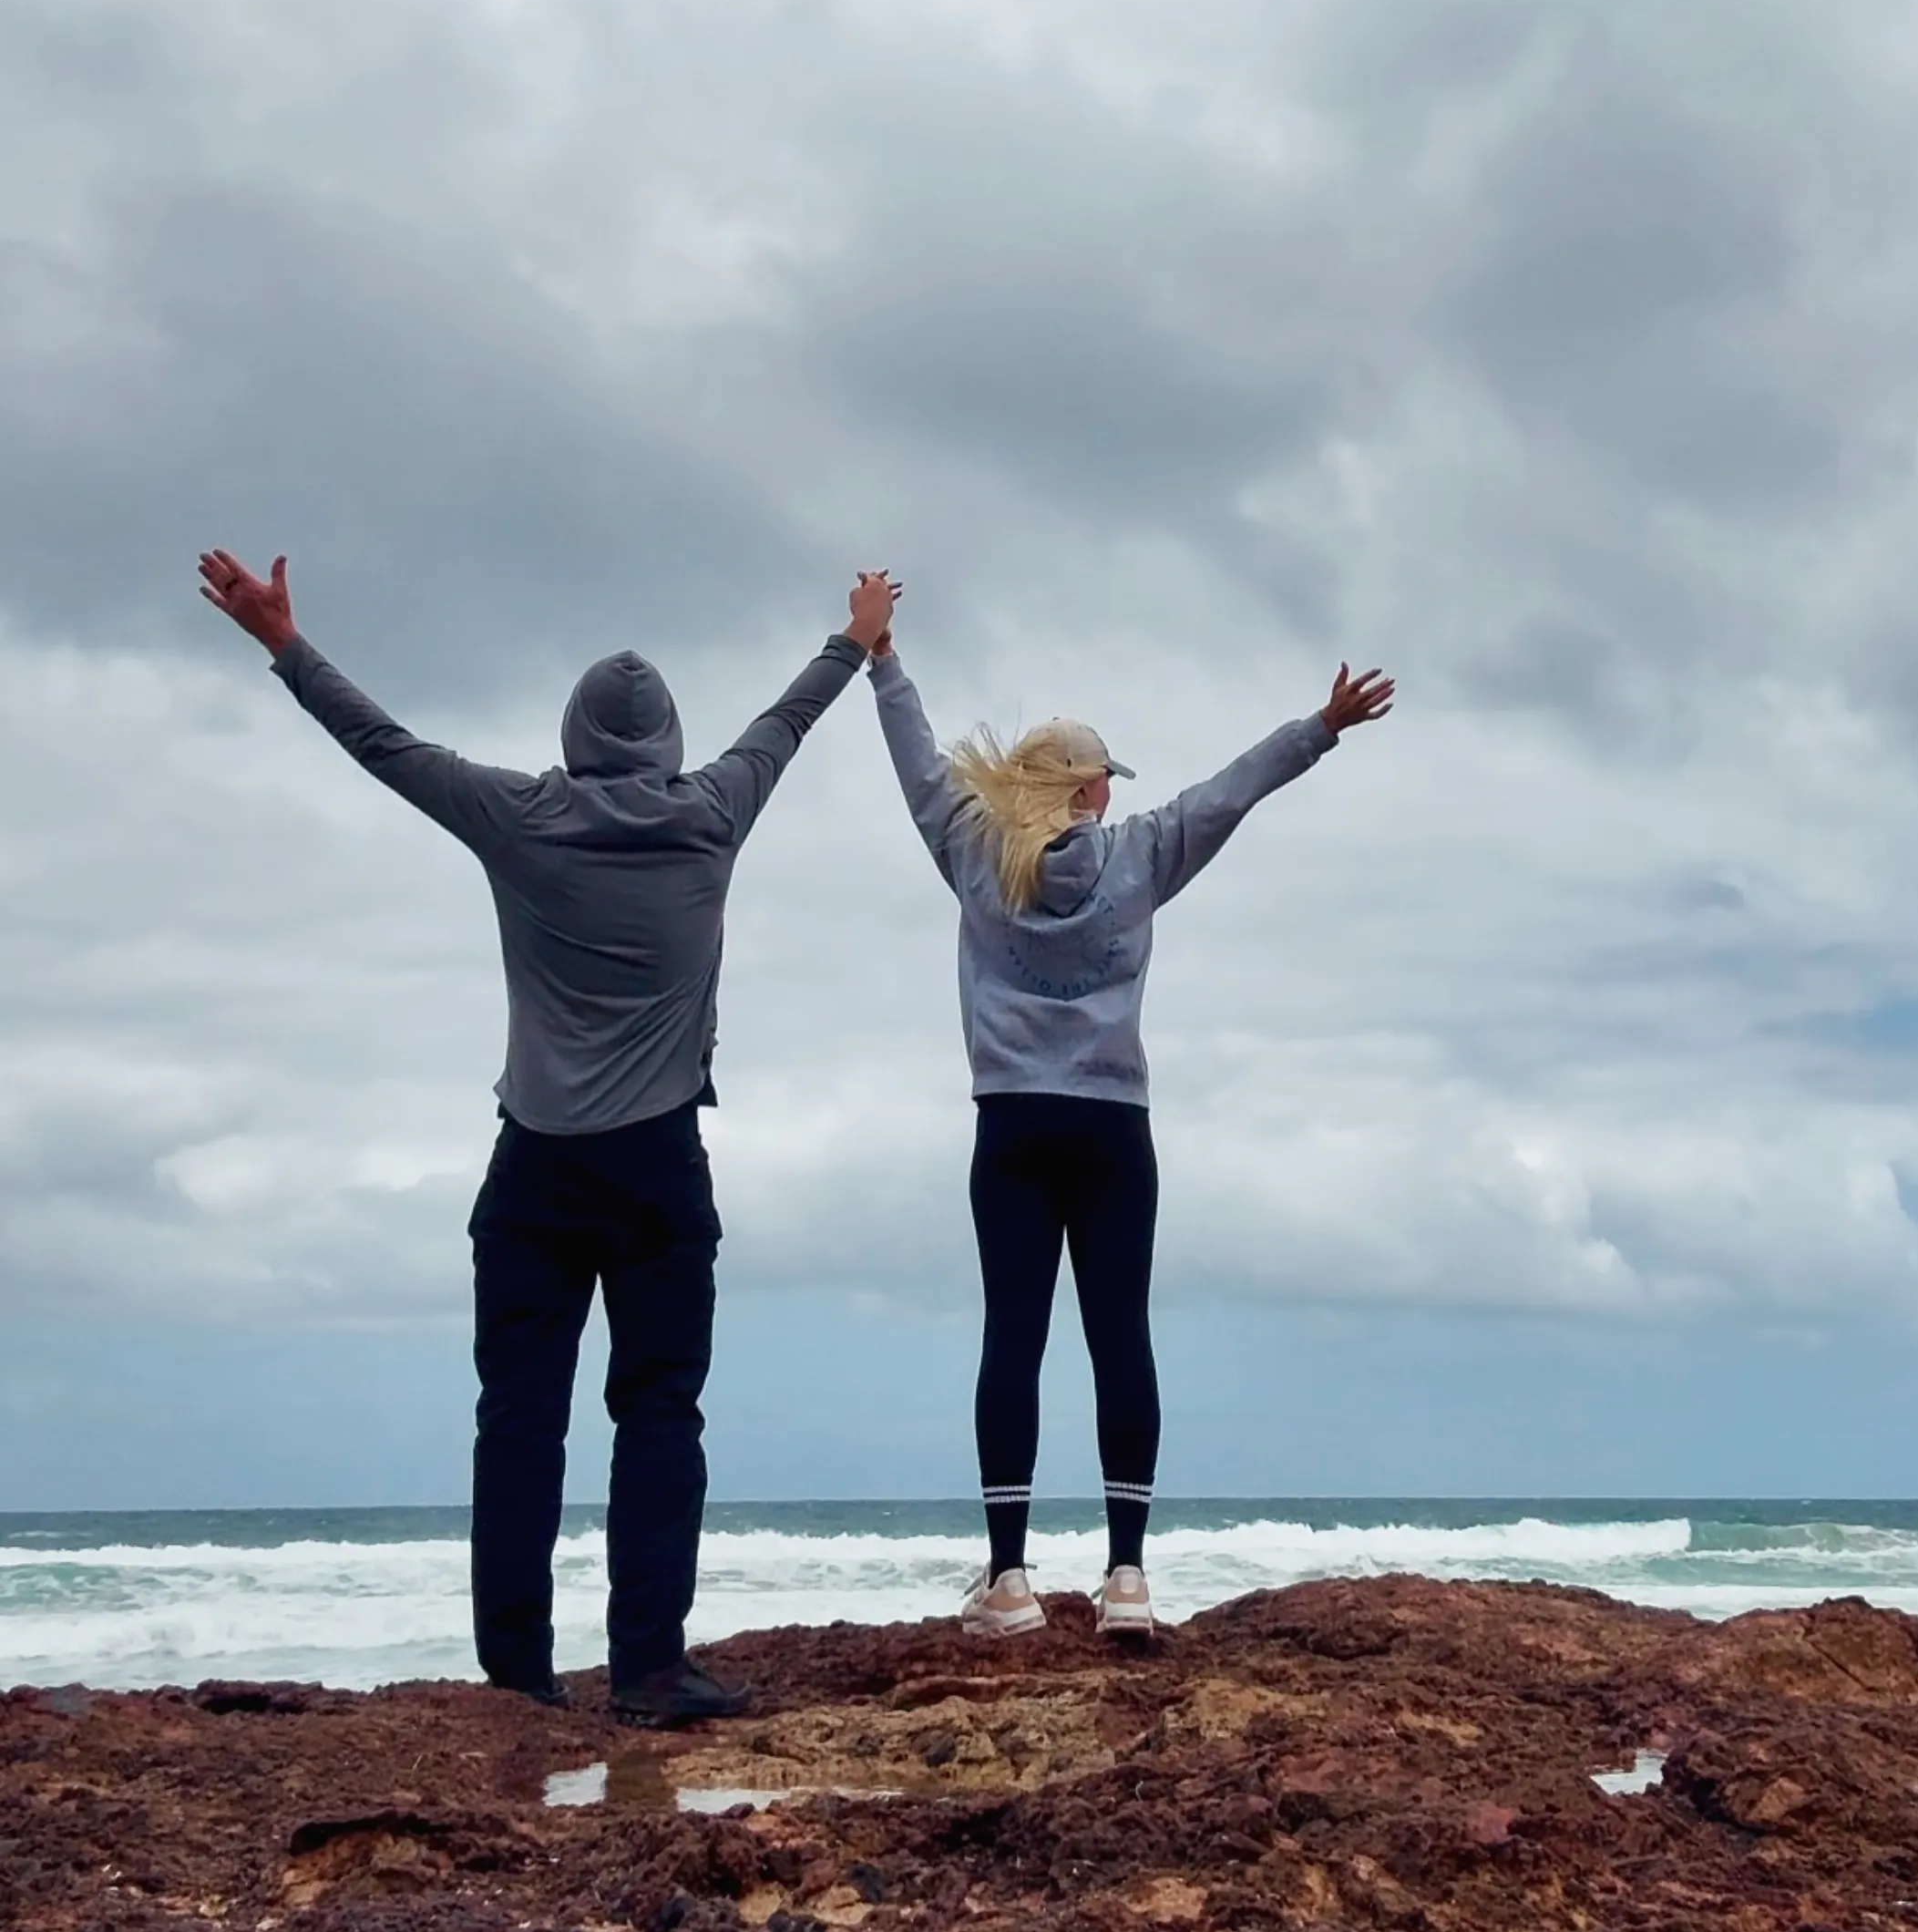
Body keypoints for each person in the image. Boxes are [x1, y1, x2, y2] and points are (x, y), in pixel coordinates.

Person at [198, 549, 898, 1723]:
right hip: (657, 1167)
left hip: (534, 1163)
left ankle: (517, 1679)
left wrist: (283, 643)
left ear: (575, 740)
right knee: (660, 1409)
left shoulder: (519, 815)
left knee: (519, 1418)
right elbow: (788, 720)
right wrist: (858, 637)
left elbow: (384, 745)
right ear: (668, 743)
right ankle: (648, 1670)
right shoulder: (713, 809)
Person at [867, 615, 1393, 1637]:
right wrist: (1319, 727)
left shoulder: (974, 855)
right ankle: (1126, 1581)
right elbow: (1234, 789)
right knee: (1121, 1342)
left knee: (1011, 1338)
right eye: (1102, 777)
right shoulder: (1142, 857)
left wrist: (883, 661)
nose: (1113, 790)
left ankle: (1011, 1582)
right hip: (1113, 1129)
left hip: (1012, 1126)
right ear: (1081, 790)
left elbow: (913, 763)